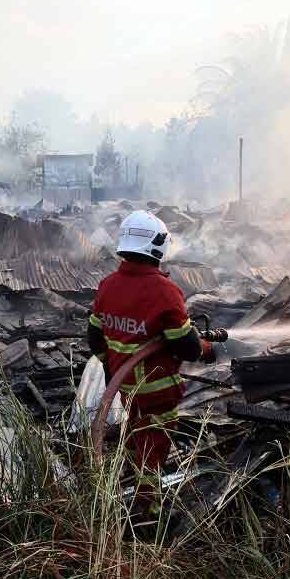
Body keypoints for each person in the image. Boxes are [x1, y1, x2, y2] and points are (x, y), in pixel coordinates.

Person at [87, 210, 215, 515]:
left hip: (126, 387)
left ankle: (133, 483)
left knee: (136, 435)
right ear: (159, 246)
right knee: (154, 448)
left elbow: (94, 337)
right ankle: (149, 514)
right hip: (157, 389)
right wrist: (206, 349)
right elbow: (187, 347)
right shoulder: (164, 291)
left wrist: (112, 369)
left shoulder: (107, 285)